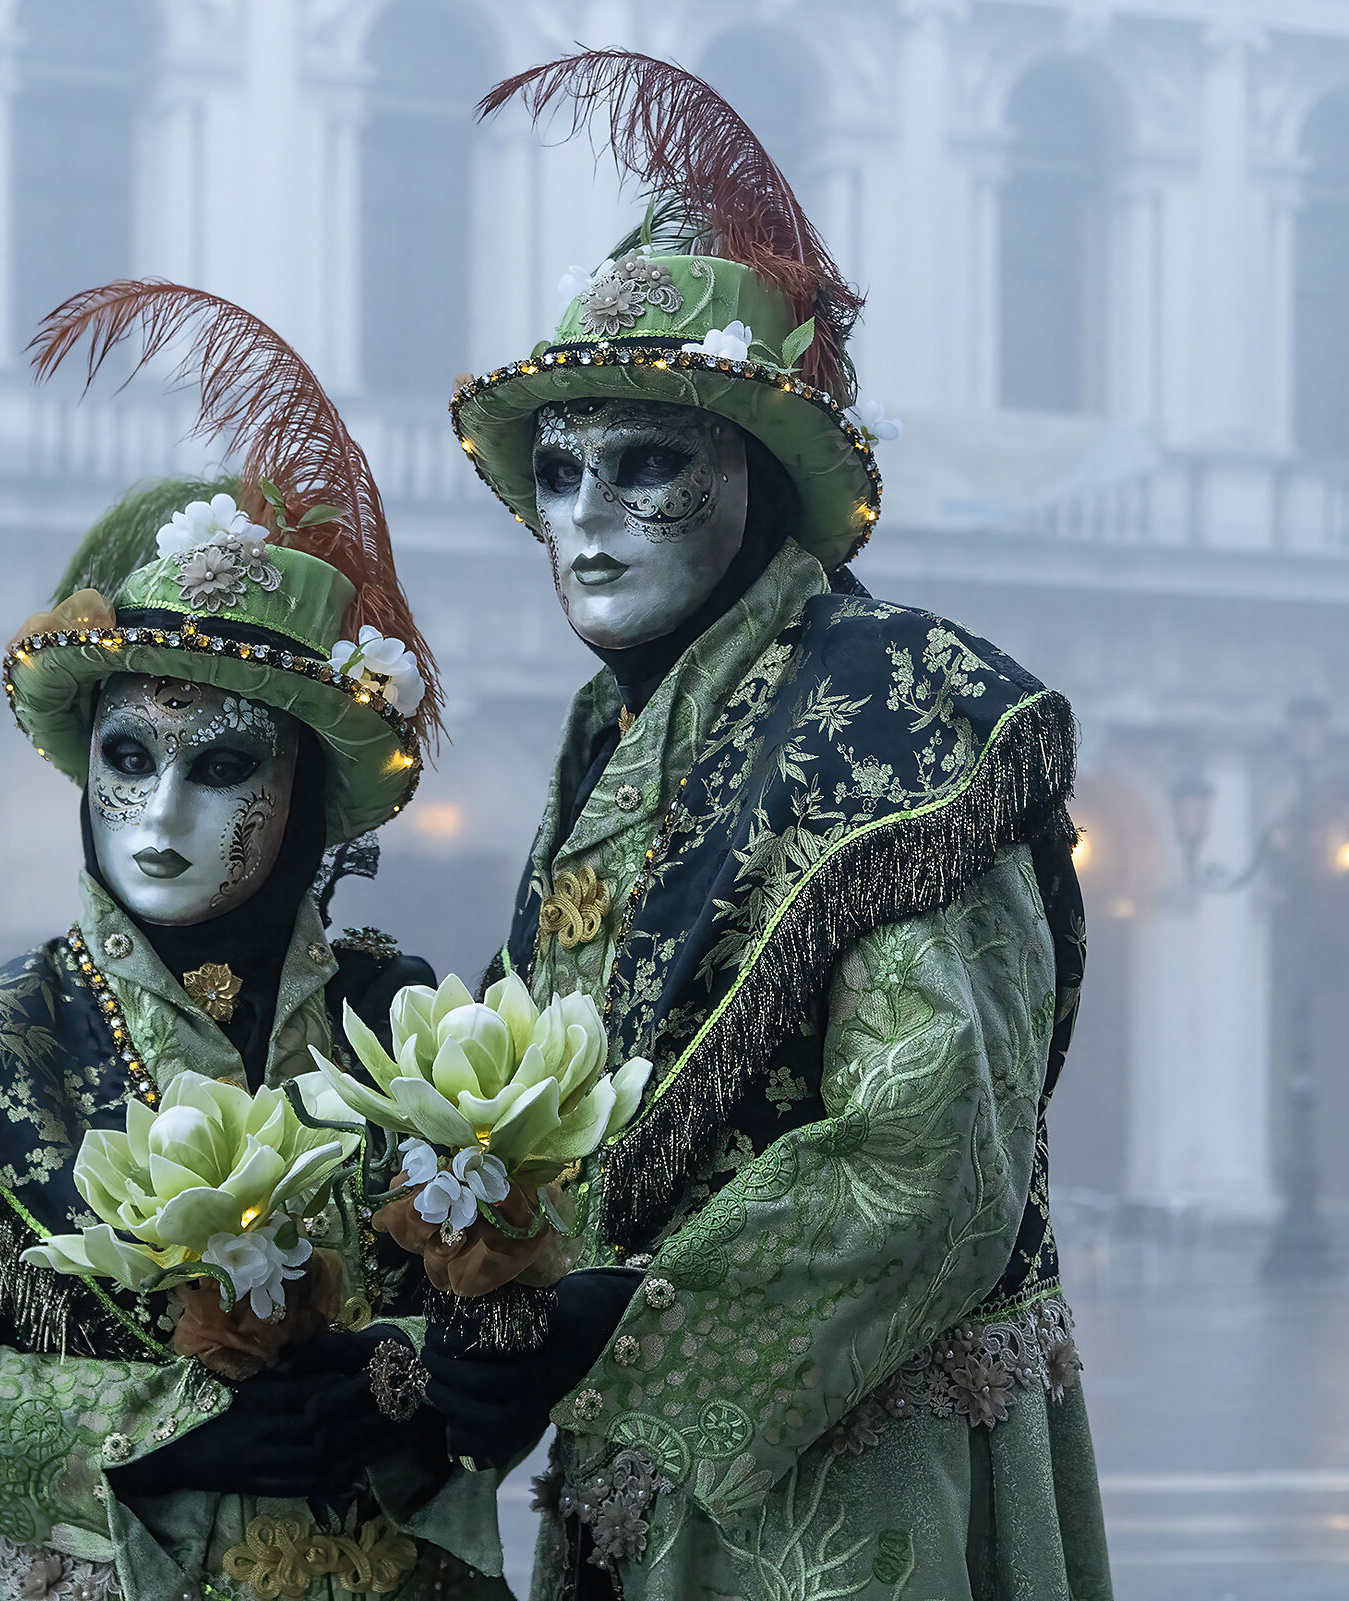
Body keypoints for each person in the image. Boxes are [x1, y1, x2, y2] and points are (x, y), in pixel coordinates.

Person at [417, 52, 1113, 1600]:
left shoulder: (906, 709)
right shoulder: (614, 742)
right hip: (633, 1483)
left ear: (758, 472)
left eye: (648, 461)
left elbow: (935, 1153)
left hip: (860, 1488)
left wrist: (627, 1321)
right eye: (560, 470)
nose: (588, 515)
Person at [0, 282, 516, 1601]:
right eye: (127, 755)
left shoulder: (415, 1039)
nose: (160, 813)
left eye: (221, 765)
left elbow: (508, 1318)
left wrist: (396, 1386)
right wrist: (170, 1431)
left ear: (307, 795)